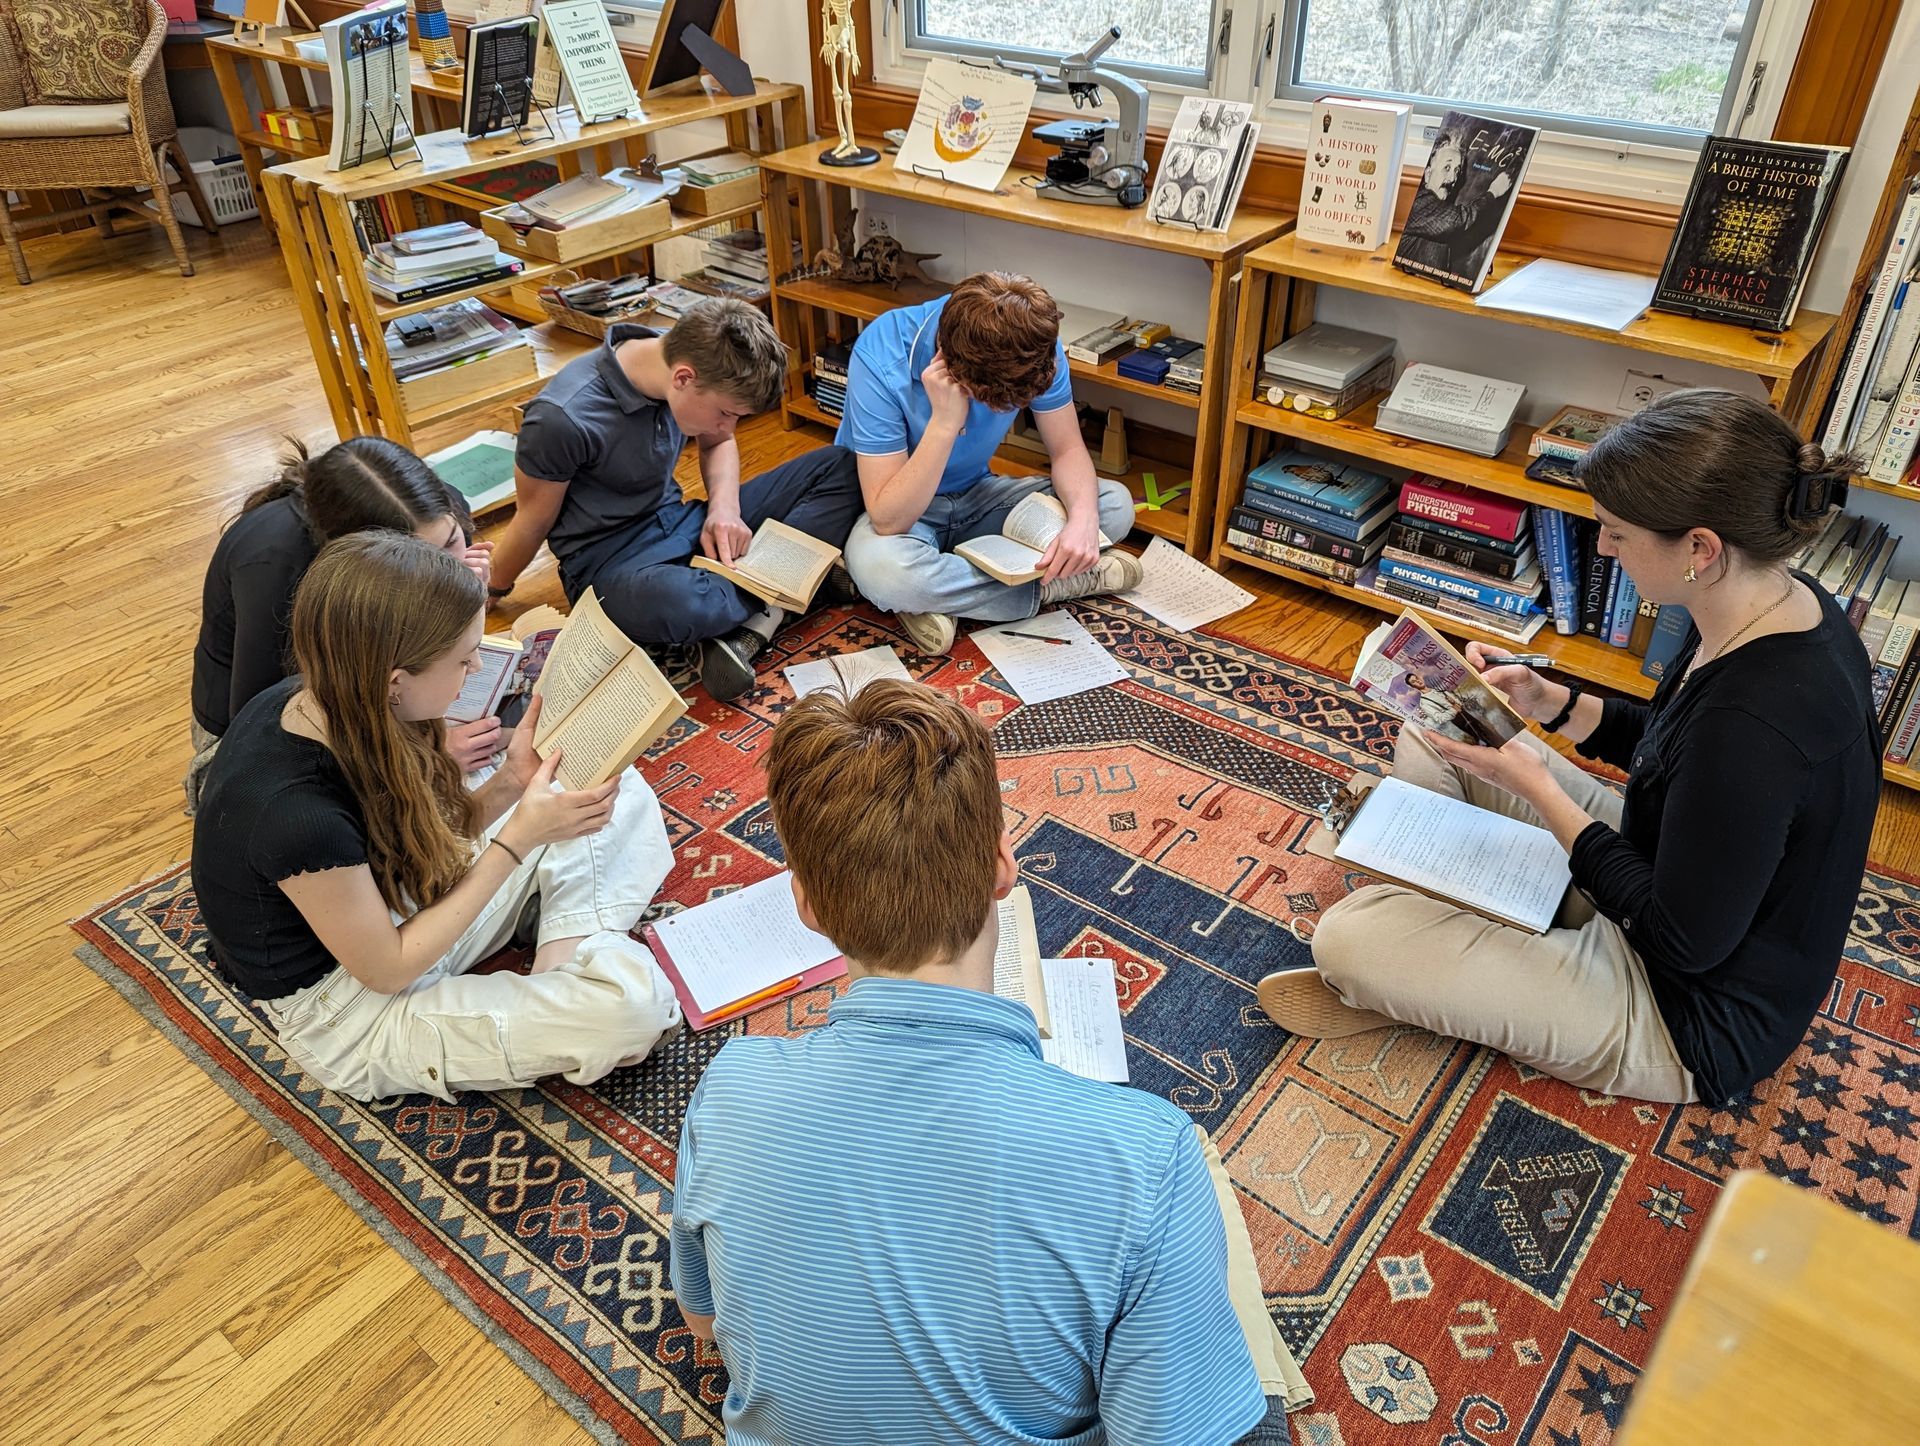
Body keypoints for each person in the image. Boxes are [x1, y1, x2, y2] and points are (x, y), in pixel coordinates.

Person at [670, 681, 1311, 1444]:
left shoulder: (729, 1086)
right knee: (1191, 1173)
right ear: (1004, 867)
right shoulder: (1147, 1154)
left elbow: (705, 1326)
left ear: (805, 902)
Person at [1259, 389, 1881, 1106]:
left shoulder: (1757, 728)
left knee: (1346, 940)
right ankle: (1468, 932)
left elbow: (1681, 941)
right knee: (1438, 731)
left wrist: (1542, 791)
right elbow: (1673, 745)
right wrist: (1552, 703)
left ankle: (1438, 943)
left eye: (1616, 531)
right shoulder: (1775, 600)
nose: (1605, 547)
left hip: (1681, 1009)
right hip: (1659, 863)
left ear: (1699, 549)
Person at [191, 533, 682, 1103]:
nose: (478, 665)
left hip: (394, 901)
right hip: (349, 1005)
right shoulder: (295, 813)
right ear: (395, 680)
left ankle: (559, 970)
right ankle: (569, 974)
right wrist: (519, 840)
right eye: (463, 657)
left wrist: (510, 786)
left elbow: (412, 847)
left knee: (598, 786)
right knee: (631, 1012)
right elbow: (389, 968)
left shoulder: (327, 697)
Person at [490, 297, 864, 703]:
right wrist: (489, 589)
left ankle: (758, 609)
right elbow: (532, 522)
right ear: (683, 378)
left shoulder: (679, 357)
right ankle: (791, 584)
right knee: (691, 604)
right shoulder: (561, 418)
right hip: (608, 565)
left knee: (841, 466)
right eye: (726, 412)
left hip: (680, 523)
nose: (728, 425)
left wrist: (724, 510)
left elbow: (718, 440)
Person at [836, 271, 1143, 656]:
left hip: (981, 498)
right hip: (904, 514)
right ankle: (1055, 584)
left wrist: (1082, 522)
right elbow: (886, 517)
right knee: (884, 572)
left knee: (1112, 504)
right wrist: (945, 423)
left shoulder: (1034, 345)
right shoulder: (880, 353)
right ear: (948, 364)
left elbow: (1066, 449)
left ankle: (940, 599)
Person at [188, 436, 497, 812]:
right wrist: (421, 756)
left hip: (381, 682)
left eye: (451, 543)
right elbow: (265, 730)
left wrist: (466, 596)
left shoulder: (428, 509)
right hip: (275, 730)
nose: (448, 562)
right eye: (425, 559)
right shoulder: (274, 567)